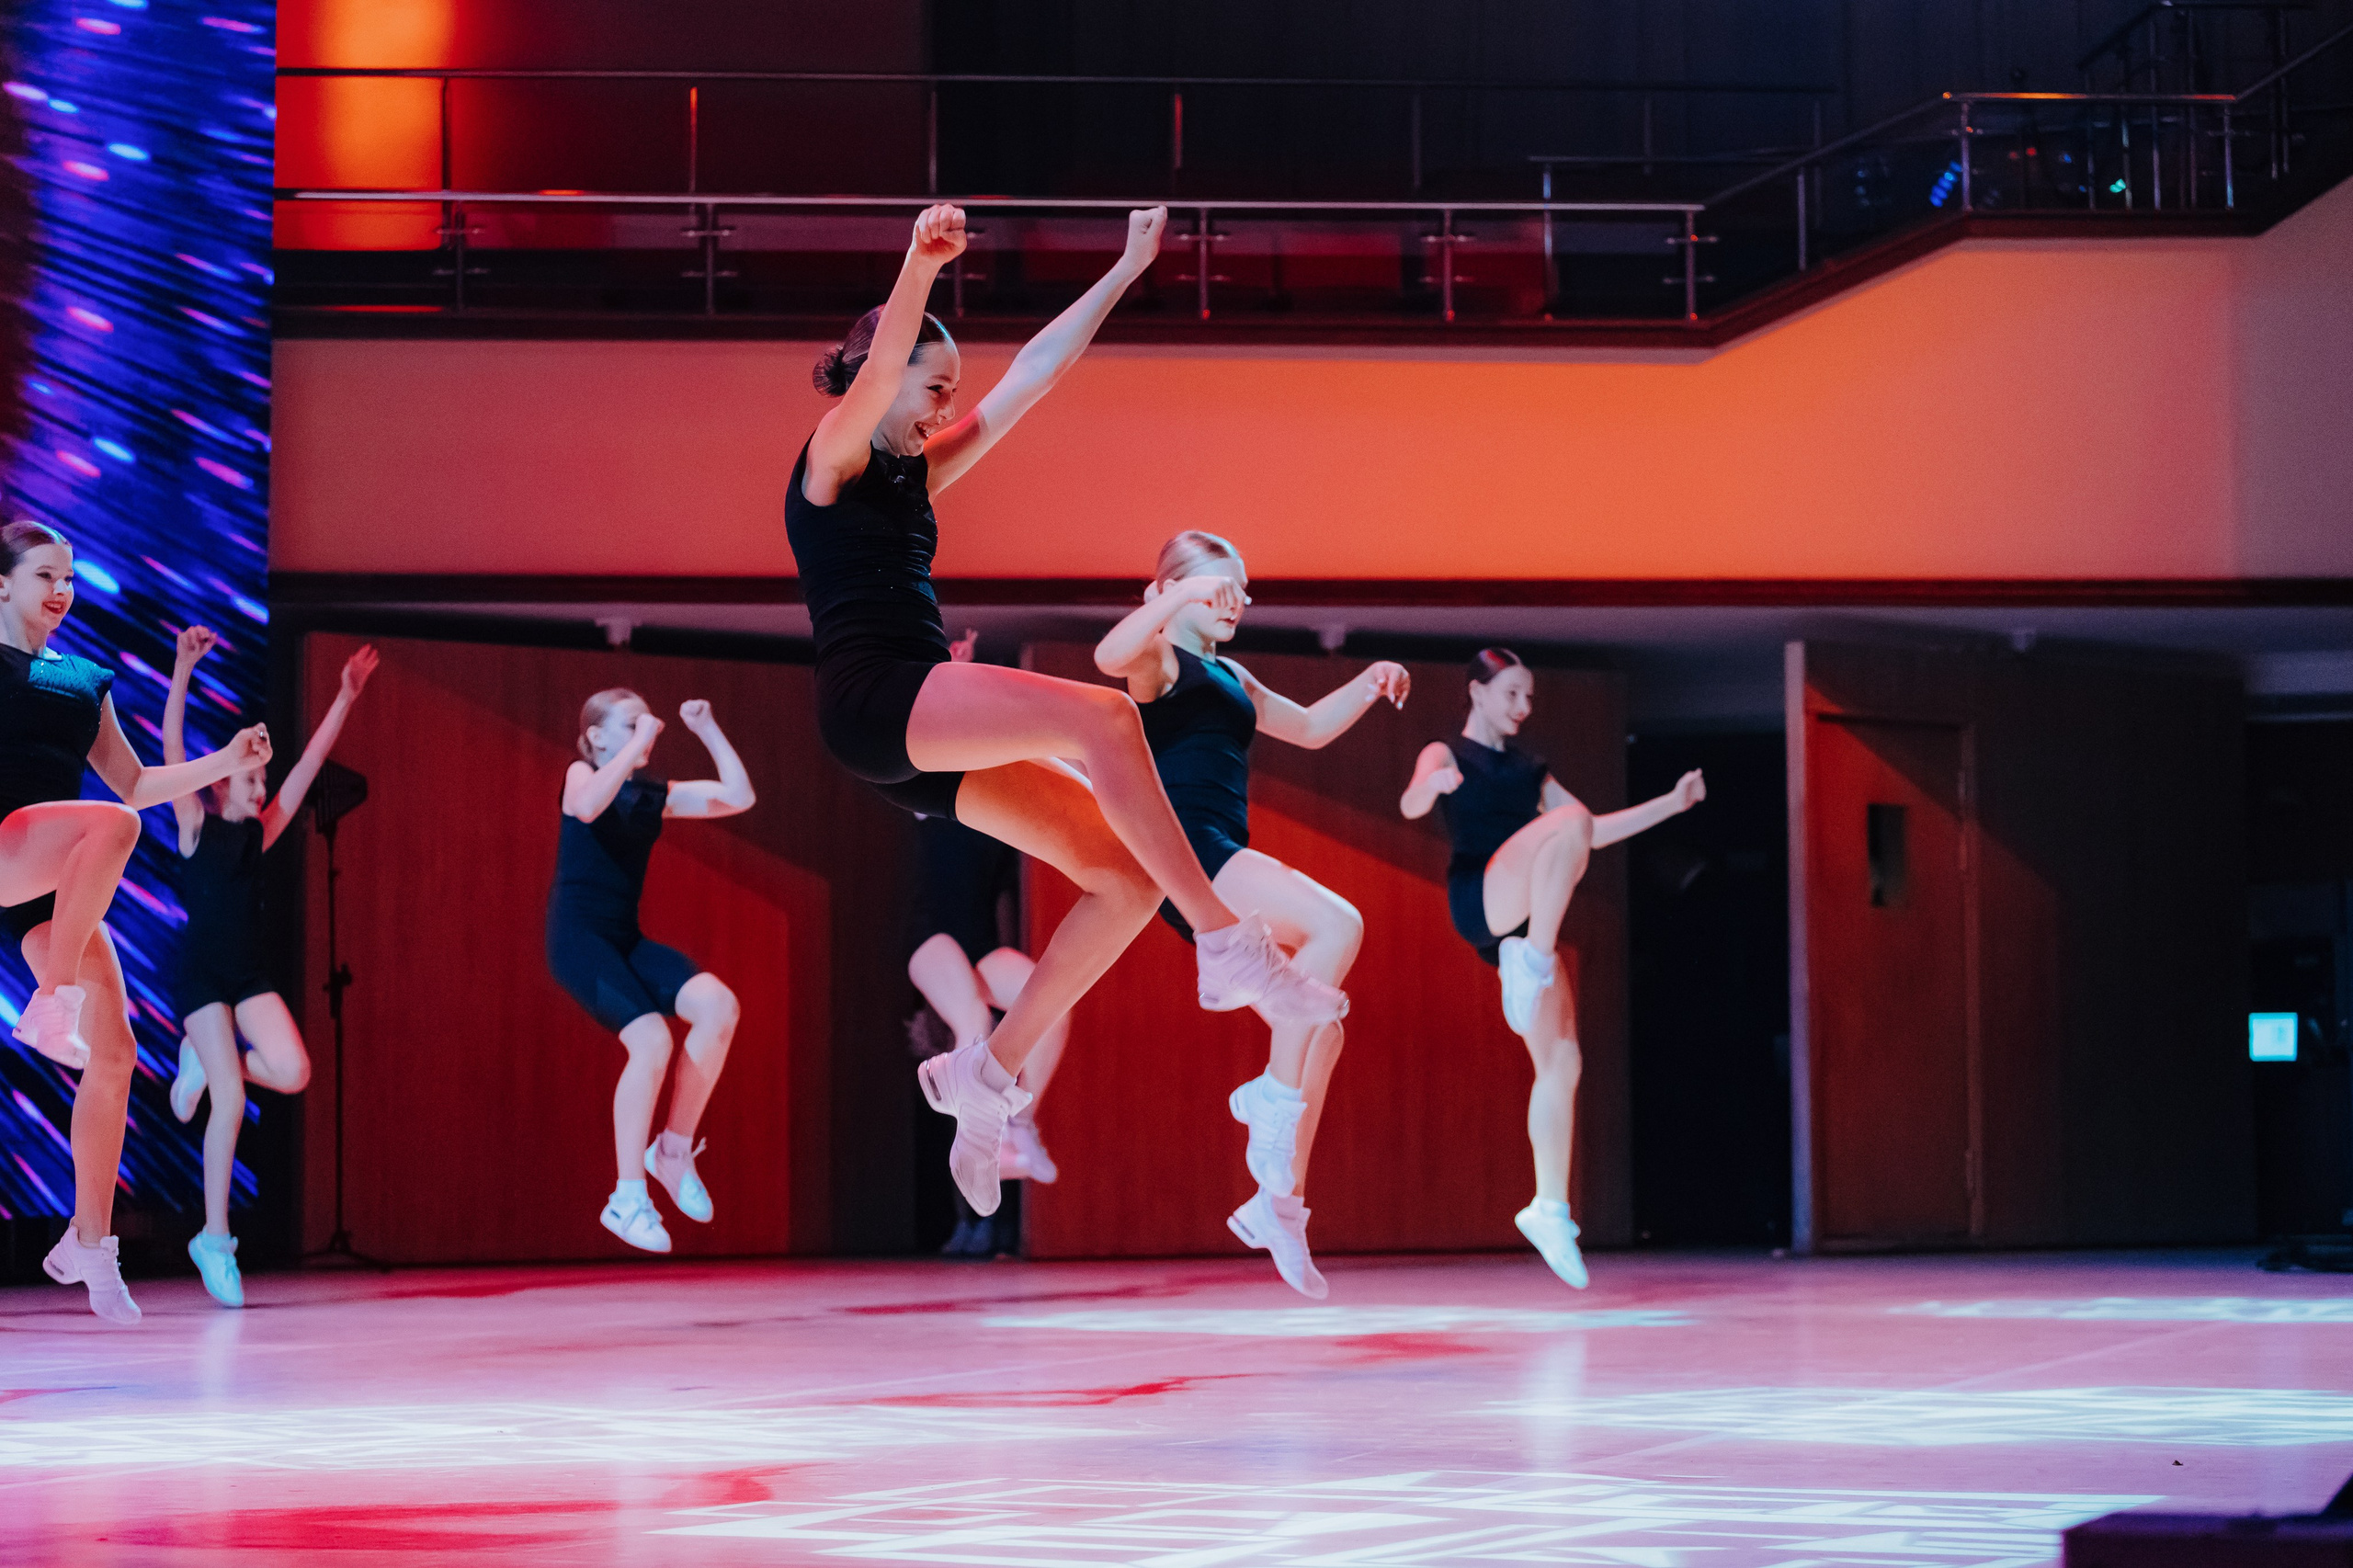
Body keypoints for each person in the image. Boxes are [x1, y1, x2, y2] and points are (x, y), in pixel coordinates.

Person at [785, 203, 1346, 1221]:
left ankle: (985, 1077)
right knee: (1102, 716)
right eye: (932, 388)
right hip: (877, 698)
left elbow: (1031, 377)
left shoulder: (918, 469)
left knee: (1125, 880)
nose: (942, 409)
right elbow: (877, 380)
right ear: (887, 369)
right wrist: (919, 261)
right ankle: (1227, 946)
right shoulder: (831, 457)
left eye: (948, 394)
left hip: (919, 726)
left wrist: (1125, 269)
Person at [1095, 531, 1406, 1297]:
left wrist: (1368, 682)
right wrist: (1171, 600)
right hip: (1189, 855)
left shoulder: (1231, 673)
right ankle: (1269, 1096)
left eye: (1243, 591)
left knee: (1324, 1032)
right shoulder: (1158, 662)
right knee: (1340, 925)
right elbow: (1108, 657)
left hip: (1223, 858)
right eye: (1222, 589)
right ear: (1171, 590)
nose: (1240, 603)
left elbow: (1304, 728)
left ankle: (1280, 1205)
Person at [0, 520, 272, 1324]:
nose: (60, 590)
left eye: (70, 578)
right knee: (112, 827)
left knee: (116, 1052)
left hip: (58, 880)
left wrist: (225, 762)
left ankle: (89, 1242)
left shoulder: (86, 676)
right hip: (6, 847)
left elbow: (134, 780)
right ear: (2, 584)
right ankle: (51, 1004)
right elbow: (115, 813)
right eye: (44, 574)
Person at [1399, 647, 1704, 1289]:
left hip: (1519, 922)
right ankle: (1533, 959)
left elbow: (1588, 831)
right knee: (1566, 822)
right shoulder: (1449, 753)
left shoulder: (1530, 767)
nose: (1523, 707)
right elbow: (1411, 802)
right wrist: (1430, 786)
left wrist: (1671, 805)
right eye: (1511, 693)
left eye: (1528, 696)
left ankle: (1548, 1207)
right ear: (1477, 693)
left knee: (1563, 1061)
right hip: (1482, 897)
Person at [160, 626, 378, 1307]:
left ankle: (206, 1061)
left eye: (261, 781)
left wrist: (345, 698)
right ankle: (215, 1240)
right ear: (222, 781)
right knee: (231, 1098)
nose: (261, 789)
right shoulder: (195, 823)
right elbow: (170, 750)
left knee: (292, 1069)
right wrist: (181, 670)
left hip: (246, 976)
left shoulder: (260, 831)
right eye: (252, 779)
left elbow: (309, 764)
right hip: (202, 979)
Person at [549, 689, 755, 1254]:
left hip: (624, 941)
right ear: (597, 737)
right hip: (578, 942)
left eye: (647, 725)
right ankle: (627, 1197)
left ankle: (672, 1149)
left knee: (718, 1006)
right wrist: (640, 741)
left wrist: (708, 728)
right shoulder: (578, 775)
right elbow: (589, 807)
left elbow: (738, 796)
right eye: (631, 724)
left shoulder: (647, 794)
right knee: (652, 1042)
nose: (648, 732)